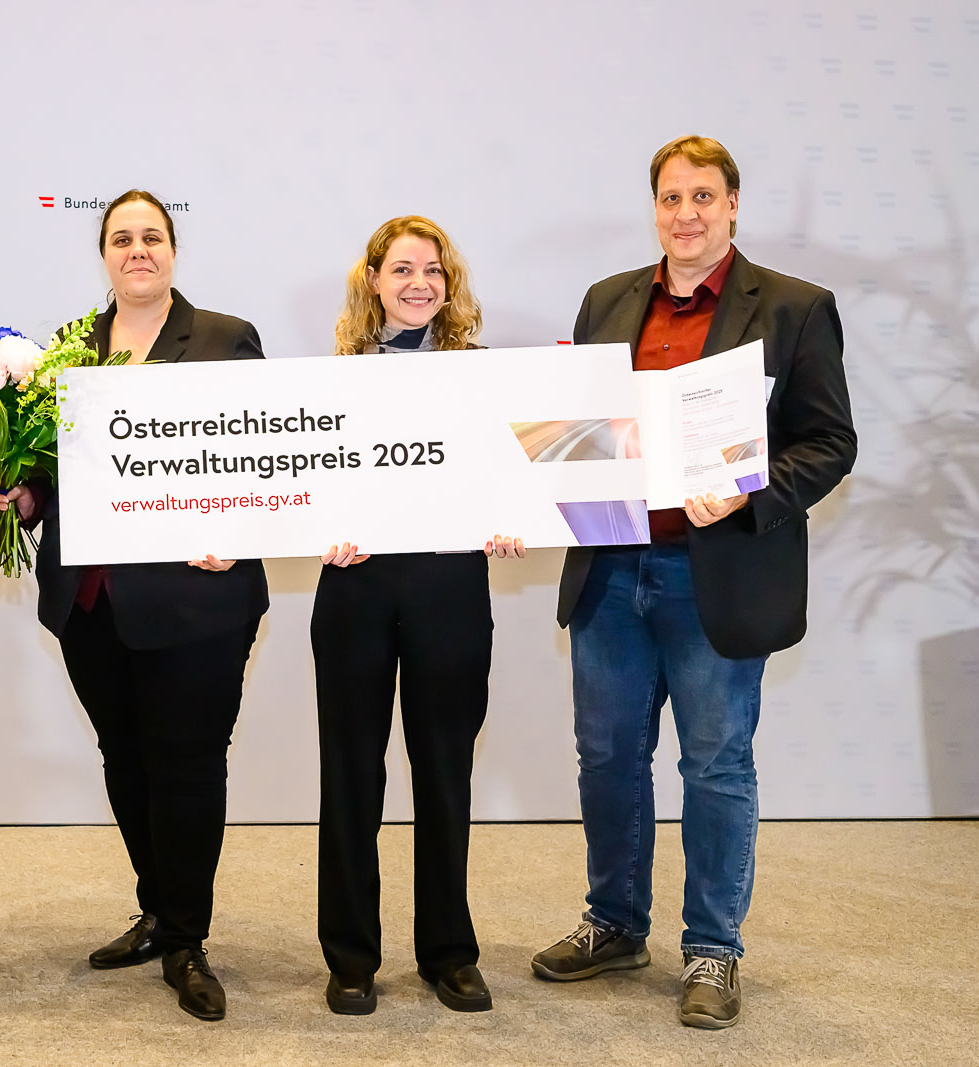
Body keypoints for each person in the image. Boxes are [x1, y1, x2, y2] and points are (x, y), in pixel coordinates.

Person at [531, 136, 856, 1029]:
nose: (686, 214)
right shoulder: (608, 300)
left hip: (717, 574)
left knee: (714, 766)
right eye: (671, 198)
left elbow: (830, 442)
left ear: (733, 204)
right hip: (611, 568)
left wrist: (750, 494)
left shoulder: (794, 307)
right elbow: (583, 431)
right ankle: (614, 921)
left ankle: (713, 946)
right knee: (607, 757)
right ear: (655, 208)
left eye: (703, 196)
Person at [0, 189, 267, 1022]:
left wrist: (239, 529)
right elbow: (52, 471)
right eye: (121, 238)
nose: (137, 249)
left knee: (188, 763)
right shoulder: (69, 350)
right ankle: (158, 907)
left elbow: (260, 448)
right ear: (104, 255)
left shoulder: (223, 338)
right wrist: (22, 498)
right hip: (91, 599)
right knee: (125, 756)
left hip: (196, 598)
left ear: (172, 250)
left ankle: (186, 938)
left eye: (151, 236)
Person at [311, 216, 523, 1016]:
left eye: (433, 271)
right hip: (355, 588)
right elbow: (306, 487)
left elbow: (513, 478)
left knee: (444, 773)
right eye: (402, 269)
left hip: (449, 586)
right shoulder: (332, 381)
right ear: (373, 279)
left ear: (448, 283)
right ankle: (350, 957)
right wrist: (318, 528)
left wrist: (515, 519)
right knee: (350, 776)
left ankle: (449, 952)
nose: (419, 284)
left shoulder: (484, 376)